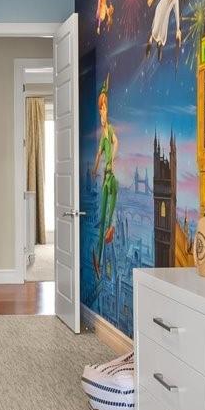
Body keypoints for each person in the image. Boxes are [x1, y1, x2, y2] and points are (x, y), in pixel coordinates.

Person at [91, 77, 119, 279]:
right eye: (100, 111)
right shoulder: (103, 136)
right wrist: (94, 170)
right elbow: (98, 155)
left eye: (104, 109)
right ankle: (99, 262)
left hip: (112, 178)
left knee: (109, 216)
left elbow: (116, 144)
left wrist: (112, 160)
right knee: (102, 220)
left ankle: (112, 227)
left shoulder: (110, 130)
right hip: (105, 179)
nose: (102, 113)